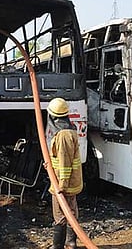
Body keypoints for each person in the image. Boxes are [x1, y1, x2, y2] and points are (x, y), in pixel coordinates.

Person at [46, 98, 83, 249]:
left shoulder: (62, 135)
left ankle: (59, 245)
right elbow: (59, 157)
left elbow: (65, 163)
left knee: (61, 215)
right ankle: (70, 242)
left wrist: (61, 185)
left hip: (63, 183)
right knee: (71, 211)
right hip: (68, 181)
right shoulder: (67, 130)